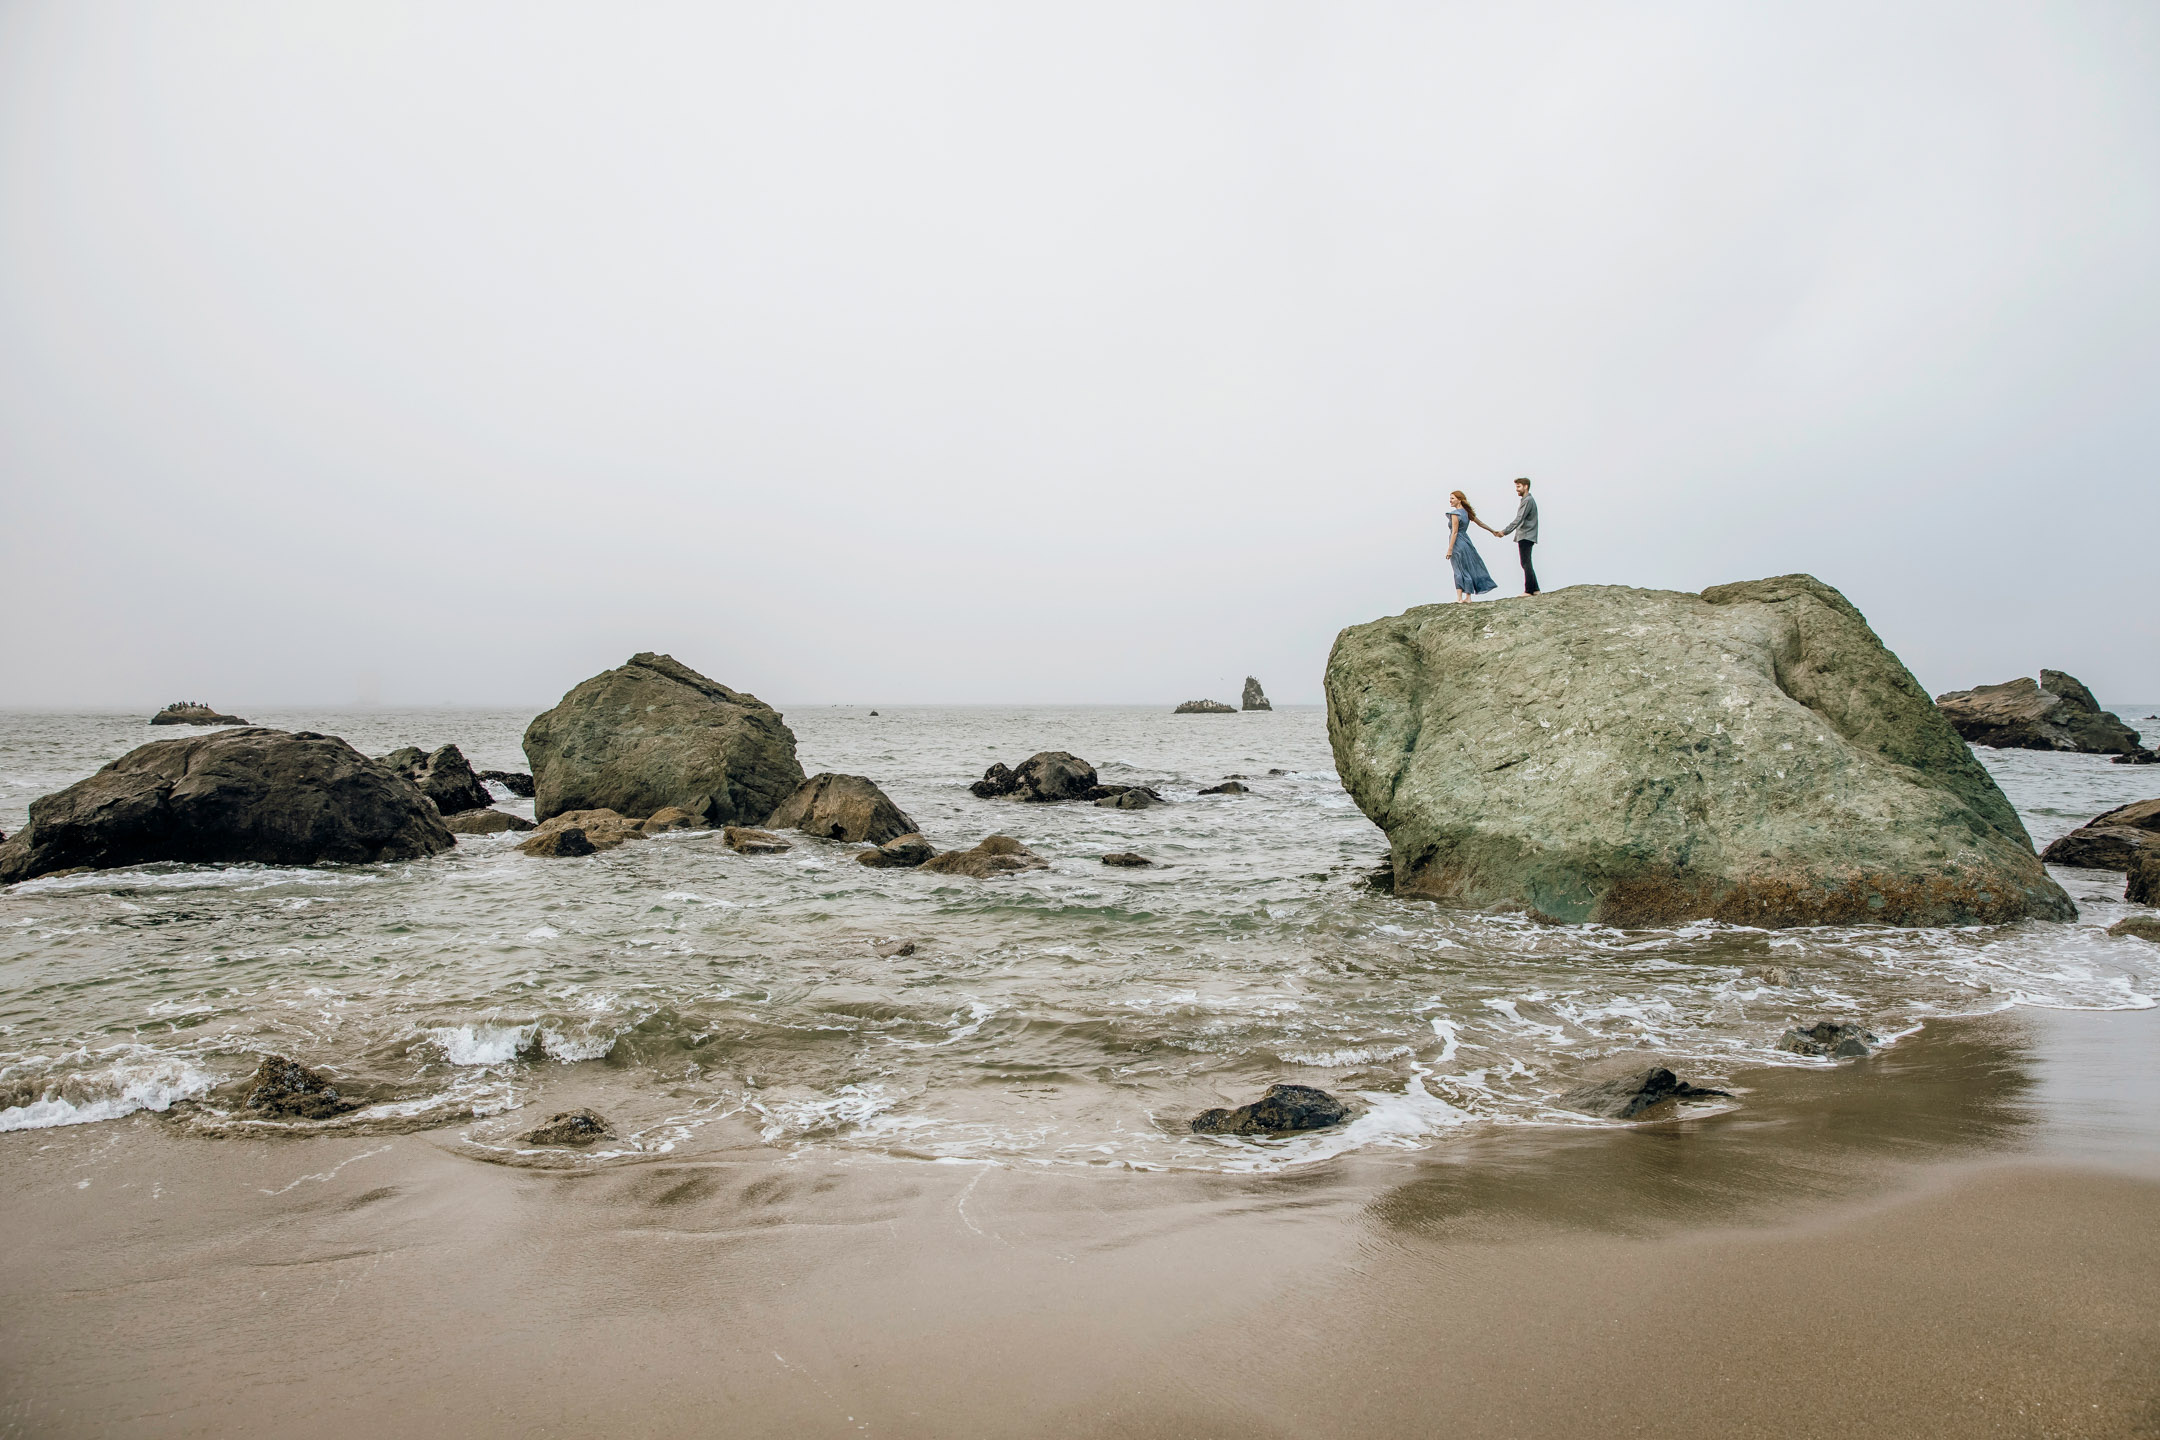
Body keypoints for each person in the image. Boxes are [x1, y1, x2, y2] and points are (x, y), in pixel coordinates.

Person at [1486, 476, 1539, 594]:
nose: (1516, 489)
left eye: (1519, 486)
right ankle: (1535, 589)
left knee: (1526, 562)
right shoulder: (1526, 500)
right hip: (1526, 535)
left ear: (1526, 487)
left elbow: (1519, 519)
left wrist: (1504, 532)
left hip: (1526, 534)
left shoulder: (1527, 500)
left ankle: (1529, 590)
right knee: (1526, 562)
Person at [1446, 490, 1498, 602]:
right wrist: (1493, 531)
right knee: (1467, 567)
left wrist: (1450, 549)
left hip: (1457, 543)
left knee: (1458, 569)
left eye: (1452, 498)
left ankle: (1459, 597)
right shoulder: (1467, 513)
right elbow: (1481, 523)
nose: (1450, 500)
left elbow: (1454, 532)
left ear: (1459, 500)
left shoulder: (1455, 514)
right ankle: (1468, 597)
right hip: (1466, 542)